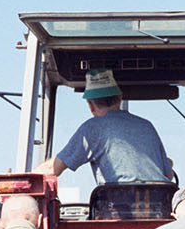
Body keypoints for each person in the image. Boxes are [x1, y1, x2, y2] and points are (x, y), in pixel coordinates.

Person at [35, 69, 175, 187]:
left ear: (90, 105)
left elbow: (52, 169)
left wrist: (20, 179)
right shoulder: (146, 126)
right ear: (120, 98)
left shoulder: (91, 128)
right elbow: (168, 175)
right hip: (158, 209)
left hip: (115, 210)